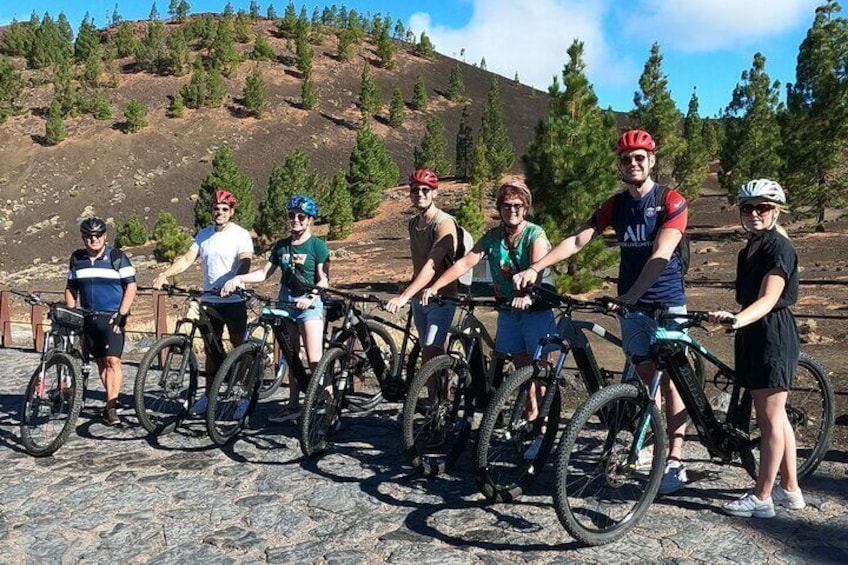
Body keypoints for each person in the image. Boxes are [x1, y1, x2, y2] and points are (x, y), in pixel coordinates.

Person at [513, 129, 691, 494]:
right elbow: (579, 239)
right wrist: (537, 268)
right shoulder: (616, 205)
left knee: (672, 380)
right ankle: (649, 442)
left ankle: (675, 458)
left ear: (652, 160)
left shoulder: (671, 201)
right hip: (632, 305)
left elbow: (660, 255)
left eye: (640, 157)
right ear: (620, 166)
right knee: (645, 378)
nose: (633, 163)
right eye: (627, 159)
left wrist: (632, 296)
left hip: (665, 301)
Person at [708, 179, 804, 518]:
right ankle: (790, 490)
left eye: (762, 207)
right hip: (753, 333)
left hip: (772, 335)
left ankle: (762, 497)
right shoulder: (746, 249)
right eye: (747, 208)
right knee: (776, 418)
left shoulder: (779, 248)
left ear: (776, 210)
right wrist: (732, 321)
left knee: (770, 421)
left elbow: (768, 299)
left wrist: (736, 320)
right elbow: (749, 299)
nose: (754, 214)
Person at [421, 179, 555, 381]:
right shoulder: (493, 237)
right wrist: (435, 287)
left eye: (518, 205)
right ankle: (530, 410)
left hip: (535, 309)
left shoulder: (534, 234)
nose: (512, 210)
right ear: (500, 208)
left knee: (538, 370)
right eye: (506, 205)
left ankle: (540, 413)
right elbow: (465, 264)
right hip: (508, 309)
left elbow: (537, 268)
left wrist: (527, 295)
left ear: (525, 208)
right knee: (521, 371)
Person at [222, 195, 329, 422]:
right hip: (286, 302)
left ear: (310, 219)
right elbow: (263, 273)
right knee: (292, 356)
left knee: (314, 358)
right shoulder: (281, 246)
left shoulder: (317, 246)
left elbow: (324, 280)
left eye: (301, 217)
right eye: (292, 216)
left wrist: (311, 297)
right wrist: (239, 279)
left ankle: (326, 403)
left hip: (308, 304)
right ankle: (292, 404)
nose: (295, 220)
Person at [153, 190, 253, 414]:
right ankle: (209, 395)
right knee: (210, 349)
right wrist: (165, 275)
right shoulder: (204, 234)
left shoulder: (240, 234)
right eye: (216, 209)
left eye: (225, 209)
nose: (220, 212)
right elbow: (188, 259)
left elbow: (246, 260)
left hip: (233, 298)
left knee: (240, 348)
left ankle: (244, 394)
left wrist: (236, 279)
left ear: (232, 212)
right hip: (209, 299)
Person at [65, 216, 137, 426]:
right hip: (88, 318)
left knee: (113, 360)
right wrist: (71, 312)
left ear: (105, 236)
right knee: (101, 362)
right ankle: (109, 397)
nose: (93, 239)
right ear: (83, 237)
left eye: (97, 235)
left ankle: (111, 407)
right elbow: (71, 286)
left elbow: (131, 286)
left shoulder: (117, 257)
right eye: (88, 236)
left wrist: (123, 313)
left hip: (112, 317)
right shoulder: (77, 258)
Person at [386, 169, 459, 365]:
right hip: (420, 298)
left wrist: (404, 297)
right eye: (415, 190)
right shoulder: (413, 224)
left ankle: (435, 395)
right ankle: (434, 394)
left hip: (441, 298)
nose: (420, 194)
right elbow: (418, 263)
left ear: (435, 192)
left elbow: (431, 266)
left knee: (430, 354)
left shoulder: (444, 223)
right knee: (430, 352)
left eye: (425, 190)